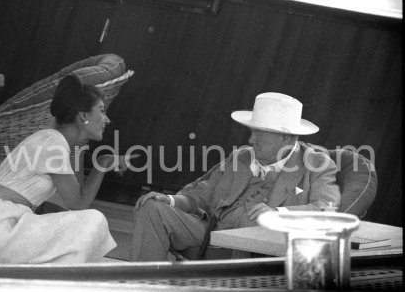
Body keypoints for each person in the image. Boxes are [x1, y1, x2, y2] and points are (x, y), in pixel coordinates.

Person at [131, 92, 341, 261]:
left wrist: (279, 213)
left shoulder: (316, 164)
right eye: (252, 132)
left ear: (285, 138)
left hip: (258, 243)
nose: (251, 140)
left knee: (254, 222)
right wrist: (170, 200)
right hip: (210, 230)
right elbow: (203, 195)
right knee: (152, 208)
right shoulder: (241, 156)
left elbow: (327, 209)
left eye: (259, 134)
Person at [0, 74, 127, 264]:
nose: (106, 119)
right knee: (94, 220)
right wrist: (103, 163)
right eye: (101, 110)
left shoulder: (51, 140)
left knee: (76, 237)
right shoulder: (53, 143)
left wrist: (104, 161)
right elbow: (78, 203)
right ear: (83, 116)